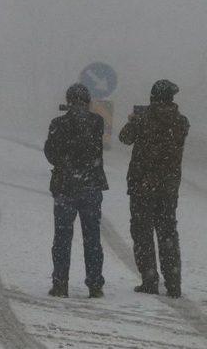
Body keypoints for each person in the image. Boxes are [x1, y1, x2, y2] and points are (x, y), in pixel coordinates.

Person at [119, 79, 189, 298]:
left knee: (142, 233)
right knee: (168, 233)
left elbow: (124, 138)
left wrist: (133, 120)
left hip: (142, 186)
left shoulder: (143, 120)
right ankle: (174, 283)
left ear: (153, 97)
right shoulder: (181, 122)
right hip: (168, 189)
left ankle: (150, 279)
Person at [44, 83, 108, 298]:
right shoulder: (97, 122)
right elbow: (96, 149)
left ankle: (60, 283)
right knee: (92, 238)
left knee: (62, 237)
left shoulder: (58, 123)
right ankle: (95, 285)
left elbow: (50, 153)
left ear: (69, 101)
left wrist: (65, 163)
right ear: (87, 102)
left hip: (65, 186)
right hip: (90, 185)